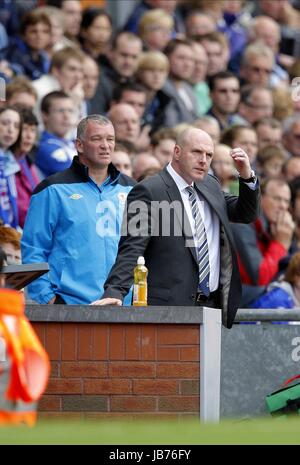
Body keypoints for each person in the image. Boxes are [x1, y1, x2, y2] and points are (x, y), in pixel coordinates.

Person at [92, 126, 260, 329]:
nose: (203, 160)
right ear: (177, 152)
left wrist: (247, 176)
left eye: (209, 155)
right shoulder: (149, 190)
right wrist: (114, 291)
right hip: (169, 310)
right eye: (197, 152)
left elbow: (245, 213)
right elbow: (132, 248)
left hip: (213, 307)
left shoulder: (211, 185)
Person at [21, 115, 136, 305]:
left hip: (123, 305)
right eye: (96, 139)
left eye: (110, 139)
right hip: (70, 305)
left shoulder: (132, 189)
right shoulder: (51, 189)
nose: (105, 145)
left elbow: (141, 248)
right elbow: (34, 249)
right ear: (80, 145)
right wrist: (48, 299)